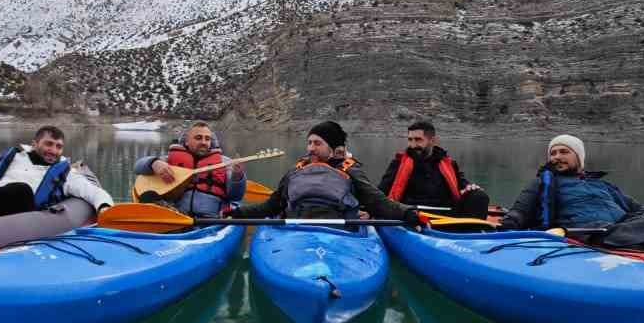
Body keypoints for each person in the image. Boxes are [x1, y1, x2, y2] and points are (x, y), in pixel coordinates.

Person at [498, 134, 644, 253]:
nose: (556, 157)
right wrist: (503, 228)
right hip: (592, 234)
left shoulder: (604, 186)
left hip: (625, 229)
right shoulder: (543, 183)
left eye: (564, 152)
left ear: (579, 158)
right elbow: (520, 212)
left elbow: (640, 212)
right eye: (553, 153)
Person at [229, 120, 420, 225]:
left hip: (338, 232)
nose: (311, 148)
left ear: (333, 148)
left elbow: (379, 202)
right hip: (296, 230)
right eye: (309, 143)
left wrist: (408, 213)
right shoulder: (296, 171)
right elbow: (271, 206)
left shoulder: (350, 171)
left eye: (317, 143)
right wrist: (237, 212)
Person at [377, 120, 490, 218]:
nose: (413, 145)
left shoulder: (448, 163)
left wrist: (471, 187)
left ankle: (474, 232)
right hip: (412, 215)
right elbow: (381, 192)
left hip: (446, 214)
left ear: (433, 140)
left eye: (418, 140)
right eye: (410, 139)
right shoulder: (398, 163)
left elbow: (463, 185)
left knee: (479, 196)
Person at [133, 121, 247, 217]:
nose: (203, 142)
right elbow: (138, 167)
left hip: (211, 220)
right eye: (198, 138)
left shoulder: (225, 163)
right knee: (147, 196)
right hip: (177, 216)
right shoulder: (169, 160)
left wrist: (237, 177)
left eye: (207, 139)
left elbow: (236, 196)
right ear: (186, 141)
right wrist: (154, 163)